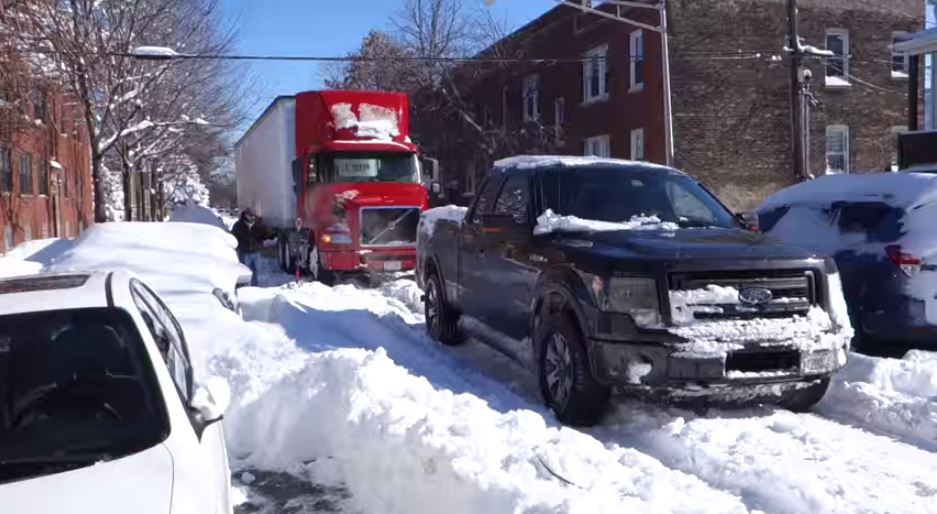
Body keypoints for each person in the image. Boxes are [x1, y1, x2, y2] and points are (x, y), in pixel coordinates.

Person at [231, 208, 266, 286]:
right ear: (245, 215)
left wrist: (261, 242)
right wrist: (236, 247)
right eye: (250, 215)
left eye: (253, 216)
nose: (252, 217)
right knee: (245, 271)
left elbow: (262, 235)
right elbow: (233, 237)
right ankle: (245, 286)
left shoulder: (257, 225)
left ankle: (255, 286)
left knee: (256, 271)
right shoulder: (238, 225)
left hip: (256, 251)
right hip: (244, 252)